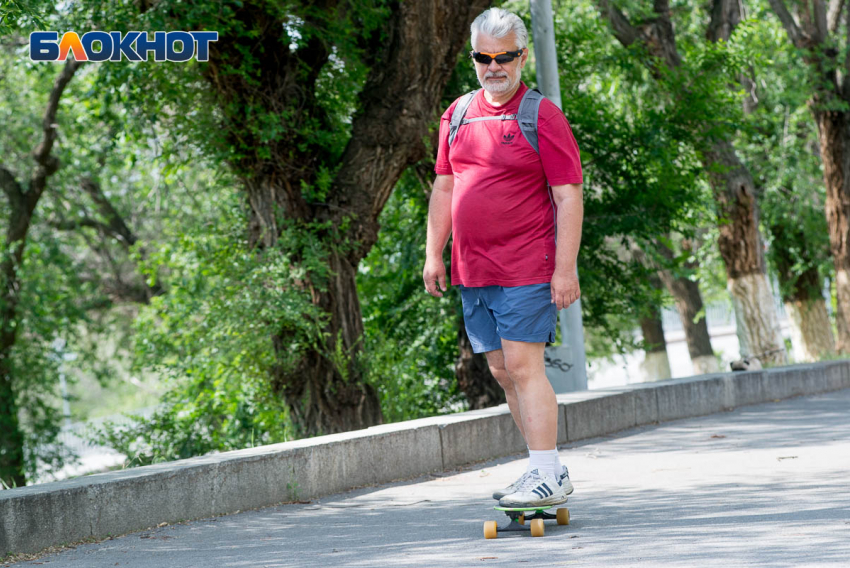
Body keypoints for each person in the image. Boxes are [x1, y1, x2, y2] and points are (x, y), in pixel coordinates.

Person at [423, 7, 584, 508]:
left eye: (504, 57)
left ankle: (546, 471)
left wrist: (564, 267)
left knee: (522, 364)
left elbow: (569, 195)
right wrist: (434, 254)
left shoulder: (541, 115)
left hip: (525, 265)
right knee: (500, 370)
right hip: (474, 269)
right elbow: (445, 188)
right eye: (483, 57)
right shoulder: (459, 113)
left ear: (522, 56)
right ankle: (543, 469)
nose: (493, 67)